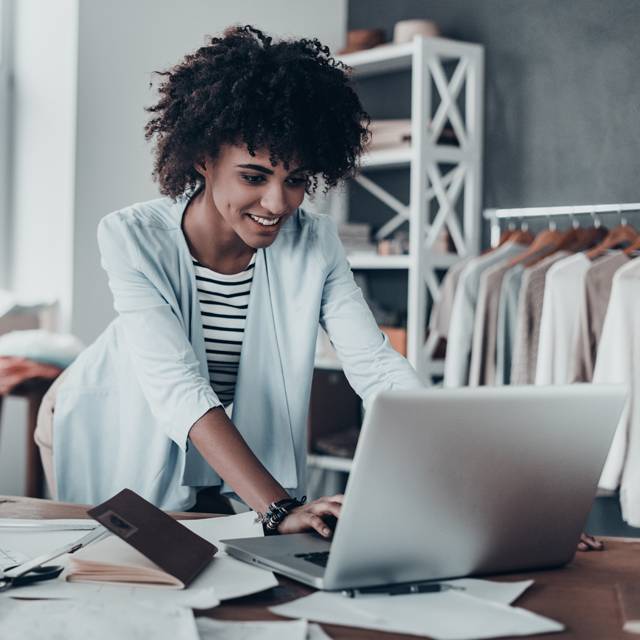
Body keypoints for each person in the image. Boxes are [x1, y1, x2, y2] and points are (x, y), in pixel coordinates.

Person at [34, 25, 424, 537]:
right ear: (204, 158)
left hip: (209, 427)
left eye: (297, 180)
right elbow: (179, 387)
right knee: (124, 572)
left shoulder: (314, 242)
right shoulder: (131, 237)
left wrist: (460, 480)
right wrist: (278, 508)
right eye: (254, 176)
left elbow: (375, 367)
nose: (278, 204)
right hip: (103, 413)